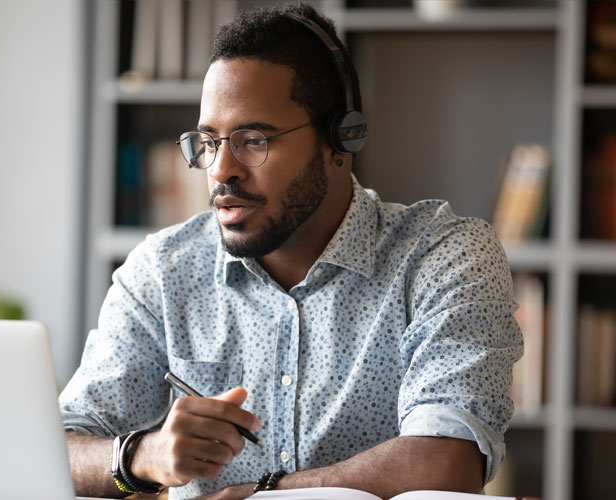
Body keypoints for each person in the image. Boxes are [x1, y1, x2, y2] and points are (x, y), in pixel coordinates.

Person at [59, 3, 522, 499]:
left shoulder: (444, 257)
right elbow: (58, 448)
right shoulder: (163, 271)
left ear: (340, 139)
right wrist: (140, 455)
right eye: (209, 142)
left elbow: (445, 461)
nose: (220, 170)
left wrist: (263, 495)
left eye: (253, 139)